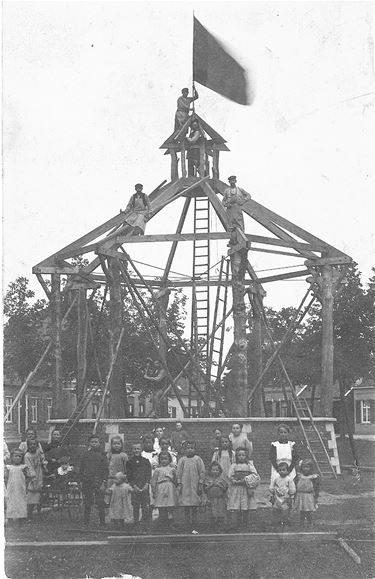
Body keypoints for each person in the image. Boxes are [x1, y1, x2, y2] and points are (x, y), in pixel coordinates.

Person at [79, 434, 109, 527]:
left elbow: (105, 470)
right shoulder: (85, 455)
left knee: (100, 503)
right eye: (92, 442)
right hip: (88, 481)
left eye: (96, 442)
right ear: (89, 443)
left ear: (99, 443)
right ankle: (86, 523)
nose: (94, 443)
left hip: (98, 481)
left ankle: (102, 523)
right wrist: (82, 480)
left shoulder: (103, 455)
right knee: (87, 503)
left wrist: (104, 482)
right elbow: (82, 469)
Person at [227, 447, 260, 530]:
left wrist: (246, 479)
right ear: (236, 456)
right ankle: (237, 523)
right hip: (236, 488)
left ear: (246, 456)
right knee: (236, 505)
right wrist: (234, 480)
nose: (241, 457)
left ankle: (245, 523)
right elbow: (230, 475)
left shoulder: (249, 465)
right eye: (239, 455)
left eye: (243, 455)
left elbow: (255, 475)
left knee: (245, 505)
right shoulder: (234, 465)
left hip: (245, 488)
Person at [176, 440, 205, 532]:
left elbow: (202, 472)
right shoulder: (182, 460)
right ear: (184, 450)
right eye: (188, 448)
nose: (190, 450)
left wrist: (200, 483)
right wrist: (179, 482)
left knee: (194, 505)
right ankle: (187, 524)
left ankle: (195, 524)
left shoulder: (198, 459)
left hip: (195, 485)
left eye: (192, 448)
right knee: (186, 506)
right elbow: (179, 472)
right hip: (185, 486)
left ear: (195, 449)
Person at [127, 442, 152, 530]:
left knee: (145, 506)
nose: (136, 450)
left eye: (138, 449)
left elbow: (148, 474)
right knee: (136, 506)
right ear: (132, 450)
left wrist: (146, 484)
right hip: (135, 487)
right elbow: (129, 476)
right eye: (134, 449)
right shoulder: (129, 462)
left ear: (141, 450)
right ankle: (136, 523)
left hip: (144, 486)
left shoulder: (146, 461)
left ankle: (145, 523)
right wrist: (134, 486)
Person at [151, 452, 178, 529]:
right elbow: (153, 481)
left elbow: (176, 480)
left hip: (170, 488)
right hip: (160, 488)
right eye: (162, 459)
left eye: (165, 459)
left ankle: (171, 523)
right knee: (162, 507)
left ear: (169, 460)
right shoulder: (157, 470)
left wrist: (174, 481)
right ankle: (162, 523)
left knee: (170, 506)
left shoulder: (172, 469)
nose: (164, 461)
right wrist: (154, 490)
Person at [222, 176, 251, 244]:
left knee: (240, 224)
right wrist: (227, 204)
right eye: (231, 181)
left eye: (233, 180)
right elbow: (223, 202)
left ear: (235, 181)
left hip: (237, 209)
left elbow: (248, 195)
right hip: (230, 210)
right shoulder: (227, 191)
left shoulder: (240, 189)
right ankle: (232, 240)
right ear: (229, 182)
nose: (232, 182)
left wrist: (243, 201)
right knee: (231, 225)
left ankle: (241, 238)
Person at [4, 448, 31, 525]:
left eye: (20, 456)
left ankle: (21, 519)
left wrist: (26, 485)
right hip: (11, 488)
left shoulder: (23, 467)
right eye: (16, 456)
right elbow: (5, 478)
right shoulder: (9, 467)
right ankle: (10, 519)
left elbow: (28, 477)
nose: (18, 458)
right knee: (11, 502)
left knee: (21, 502)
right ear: (12, 457)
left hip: (21, 488)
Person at [269, 461, 296, 527]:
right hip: (277, 496)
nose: (281, 472)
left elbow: (292, 488)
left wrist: (291, 495)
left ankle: (285, 521)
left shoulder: (289, 479)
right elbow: (272, 486)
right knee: (276, 509)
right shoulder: (276, 478)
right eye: (280, 470)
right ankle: (277, 520)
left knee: (285, 509)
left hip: (285, 497)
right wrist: (272, 492)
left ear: (287, 470)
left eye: (283, 470)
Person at [295, 459, 320, 527]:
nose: (305, 469)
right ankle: (301, 522)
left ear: (311, 468)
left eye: (307, 467)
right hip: (301, 495)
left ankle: (310, 522)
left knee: (308, 510)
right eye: (304, 467)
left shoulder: (313, 477)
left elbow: (316, 486)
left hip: (309, 495)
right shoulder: (299, 476)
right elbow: (295, 484)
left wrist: (316, 495)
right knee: (302, 510)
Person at [203, 462, 228, 531]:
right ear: (210, 471)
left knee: (220, 513)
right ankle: (211, 526)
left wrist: (219, 485)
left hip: (220, 499)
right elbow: (205, 489)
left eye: (217, 470)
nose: (215, 472)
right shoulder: (207, 479)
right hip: (211, 499)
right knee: (211, 513)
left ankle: (220, 527)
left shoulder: (222, 480)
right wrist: (211, 485)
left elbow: (225, 489)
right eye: (213, 470)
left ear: (219, 471)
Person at [24, 439, 45, 519]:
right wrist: (33, 477)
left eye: (34, 444)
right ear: (28, 446)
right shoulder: (27, 456)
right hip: (32, 477)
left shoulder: (38, 453)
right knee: (31, 495)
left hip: (39, 474)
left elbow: (42, 460)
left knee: (39, 495)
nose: (33, 446)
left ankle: (39, 513)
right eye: (31, 444)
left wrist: (43, 463)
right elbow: (29, 467)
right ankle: (29, 514)